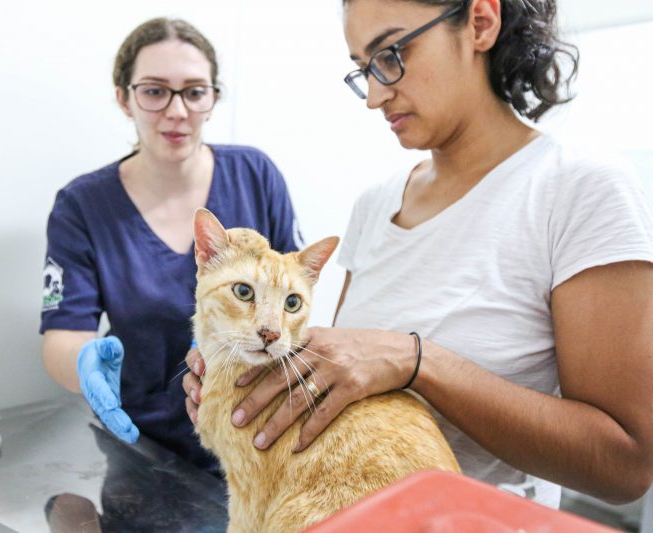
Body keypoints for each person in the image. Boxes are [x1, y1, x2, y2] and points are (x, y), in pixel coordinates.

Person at [184, 0, 653, 507]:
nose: (375, 96)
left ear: (480, 22)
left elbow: (626, 467)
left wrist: (418, 360)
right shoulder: (376, 204)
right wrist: (232, 378)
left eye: (391, 53)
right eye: (364, 69)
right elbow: (338, 382)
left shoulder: (580, 190)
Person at [40, 17, 302, 475]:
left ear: (213, 98)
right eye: (155, 91)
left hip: (256, 437)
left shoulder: (255, 177)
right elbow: (63, 336)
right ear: (124, 98)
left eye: (195, 92)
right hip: (142, 453)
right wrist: (84, 364)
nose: (177, 111)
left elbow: (297, 301)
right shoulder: (82, 206)